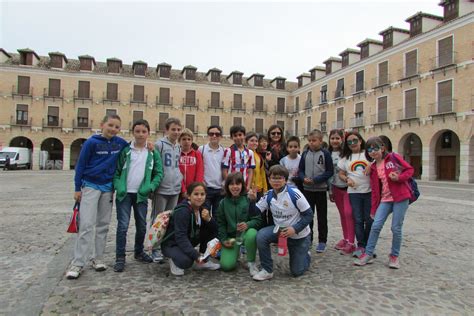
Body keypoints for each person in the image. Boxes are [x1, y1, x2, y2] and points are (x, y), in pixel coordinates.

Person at [67, 114, 129, 279]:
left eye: (117, 127)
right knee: (86, 224)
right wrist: (77, 188)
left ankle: (98, 258)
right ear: (102, 125)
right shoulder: (91, 143)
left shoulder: (120, 143)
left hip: (108, 187)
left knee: (103, 224)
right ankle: (78, 262)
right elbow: (80, 165)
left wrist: (149, 146)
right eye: (110, 125)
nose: (113, 129)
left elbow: (133, 147)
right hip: (90, 185)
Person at [354, 137, 414, 269]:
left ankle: (394, 256)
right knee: (375, 226)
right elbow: (375, 190)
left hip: (400, 197)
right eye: (369, 149)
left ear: (382, 148)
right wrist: (374, 208)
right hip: (385, 200)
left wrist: (399, 177)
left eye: (375, 148)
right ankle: (368, 254)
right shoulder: (373, 167)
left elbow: (409, 170)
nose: (373, 151)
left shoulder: (393, 158)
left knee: (396, 228)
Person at [112, 119, 164, 272]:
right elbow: (117, 172)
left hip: (141, 195)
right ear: (133, 133)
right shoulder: (126, 151)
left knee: (141, 226)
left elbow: (158, 173)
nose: (141, 134)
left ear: (148, 133)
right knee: (122, 226)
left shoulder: (152, 152)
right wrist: (118, 186)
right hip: (124, 194)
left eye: (144, 131)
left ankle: (138, 252)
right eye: (138, 131)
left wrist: (150, 187)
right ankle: (120, 257)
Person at [250, 165, 313, 281]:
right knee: (261, 236)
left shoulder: (295, 194)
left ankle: (306, 255)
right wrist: (252, 200)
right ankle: (267, 270)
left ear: (285, 179)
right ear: (269, 180)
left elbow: (309, 214)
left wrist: (294, 229)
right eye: (273, 178)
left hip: (298, 235)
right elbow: (255, 212)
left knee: (296, 272)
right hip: (280, 231)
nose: (276, 181)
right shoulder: (268, 195)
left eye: (279, 178)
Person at [161, 182, 220, 276]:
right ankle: (174, 259)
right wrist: (196, 255)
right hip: (171, 244)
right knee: (187, 261)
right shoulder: (183, 211)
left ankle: (202, 262)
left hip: (187, 240)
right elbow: (181, 237)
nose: (199, 197)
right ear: (188, 196)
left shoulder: (202, 209)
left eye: (202, 194)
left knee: (211, 229)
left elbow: (216, 230)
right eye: (196, 194)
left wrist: (209, 219)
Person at [151, 117, 183, 262]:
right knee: (158, 219)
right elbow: (154, 165)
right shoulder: (159, 145)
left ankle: (166, 247)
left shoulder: (178, 146)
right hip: (161, 188)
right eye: (173, 129)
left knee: (170, 220)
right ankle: (154, 248)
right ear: (167, 130)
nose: (176, 132)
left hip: (175, 188)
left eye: (178, 129)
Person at [217, 172, 262, 276]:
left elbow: (258, 220)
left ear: (242, 185)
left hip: (245, 234)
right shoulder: (223, 203)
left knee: (252, 234)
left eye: (238, 184)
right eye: (231, 184)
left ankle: (251, 262)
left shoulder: (248, 199)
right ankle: (235, 254)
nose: (235, 187)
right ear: (227, 186)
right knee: (226, 266)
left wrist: (248, 224)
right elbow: (221, 224)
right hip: (232, 237)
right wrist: (223, 240)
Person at [298, 129, 333, 253]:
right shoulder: (305, 154)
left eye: (314, 141)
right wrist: (303, 178)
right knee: (308, 216)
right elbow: (300, 170)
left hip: (320, 189)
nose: (312, 143)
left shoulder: (325, 154)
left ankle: (322, 241)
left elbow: (329, 171)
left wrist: (316, 180)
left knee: (322, 216)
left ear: (320, 141)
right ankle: (309, 239)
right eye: (310, 141)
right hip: (307, 190)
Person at [338, 131, 371, 259]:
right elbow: (341, 173)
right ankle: (361, 245)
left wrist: (371, 166)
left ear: (360, 141)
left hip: (369, 192)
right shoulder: (345, 158)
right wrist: (347, 179)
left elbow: (379, 162)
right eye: (349, 142)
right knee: (357, 219)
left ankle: (369, 245)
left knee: (369, 219)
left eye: (355, 140)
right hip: (354, 193)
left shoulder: (368, 154)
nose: (352, 143)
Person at [328, 129, 355, 255]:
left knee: (348, 213)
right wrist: (330, 190)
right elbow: (329, 174)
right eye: (332, 138)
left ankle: (351, 242)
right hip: (336, 187)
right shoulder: (327, 153)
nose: (334, 140)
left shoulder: (347, 153)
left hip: (348, 188)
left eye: (337, 138)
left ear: (342, 139)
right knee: (342, 215)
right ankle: (345, 238)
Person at [199, 125, 225, 218]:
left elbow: (226, 169)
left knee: (217, 216)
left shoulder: (224, 151)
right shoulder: (201, 150)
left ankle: (215, 233)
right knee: (203, 215)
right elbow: (198, 168)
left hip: (220, 190)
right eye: (211, 134)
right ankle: (204, 233)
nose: (214, 136)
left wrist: (224, 184)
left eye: (217, 134)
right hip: (206, 189)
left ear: (221, 137)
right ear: (208, 136)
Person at [222, 125, 255, 192]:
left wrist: (248, 186)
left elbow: (250, 170)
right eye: (235, 135)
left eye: (240, 135)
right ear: (232, 137)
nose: (238, 137)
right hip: (232, 186)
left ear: (244, 136)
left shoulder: (250, 152)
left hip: (244, 186)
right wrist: (228, 184)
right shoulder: (228, 151)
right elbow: (224, 170)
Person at [178, 128, 204, 199]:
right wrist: (183, 190)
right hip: (179, 190)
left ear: (192, 141)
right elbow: (177, 173)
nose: (186, 141)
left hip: (193, 192)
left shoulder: (197, 154)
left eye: (189, 139)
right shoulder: (177, 154)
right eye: (184, 139)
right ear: (179, 141)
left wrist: (195, 189)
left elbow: (199, 172)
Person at [245, 132, 268, 199]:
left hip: (259, 189)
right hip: (248, 189)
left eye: (256, 141)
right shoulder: (242, 155)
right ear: (246, 142)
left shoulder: (259, 157)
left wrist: (265, 189)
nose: (254, 143)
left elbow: (262, 174)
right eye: (252, 141)